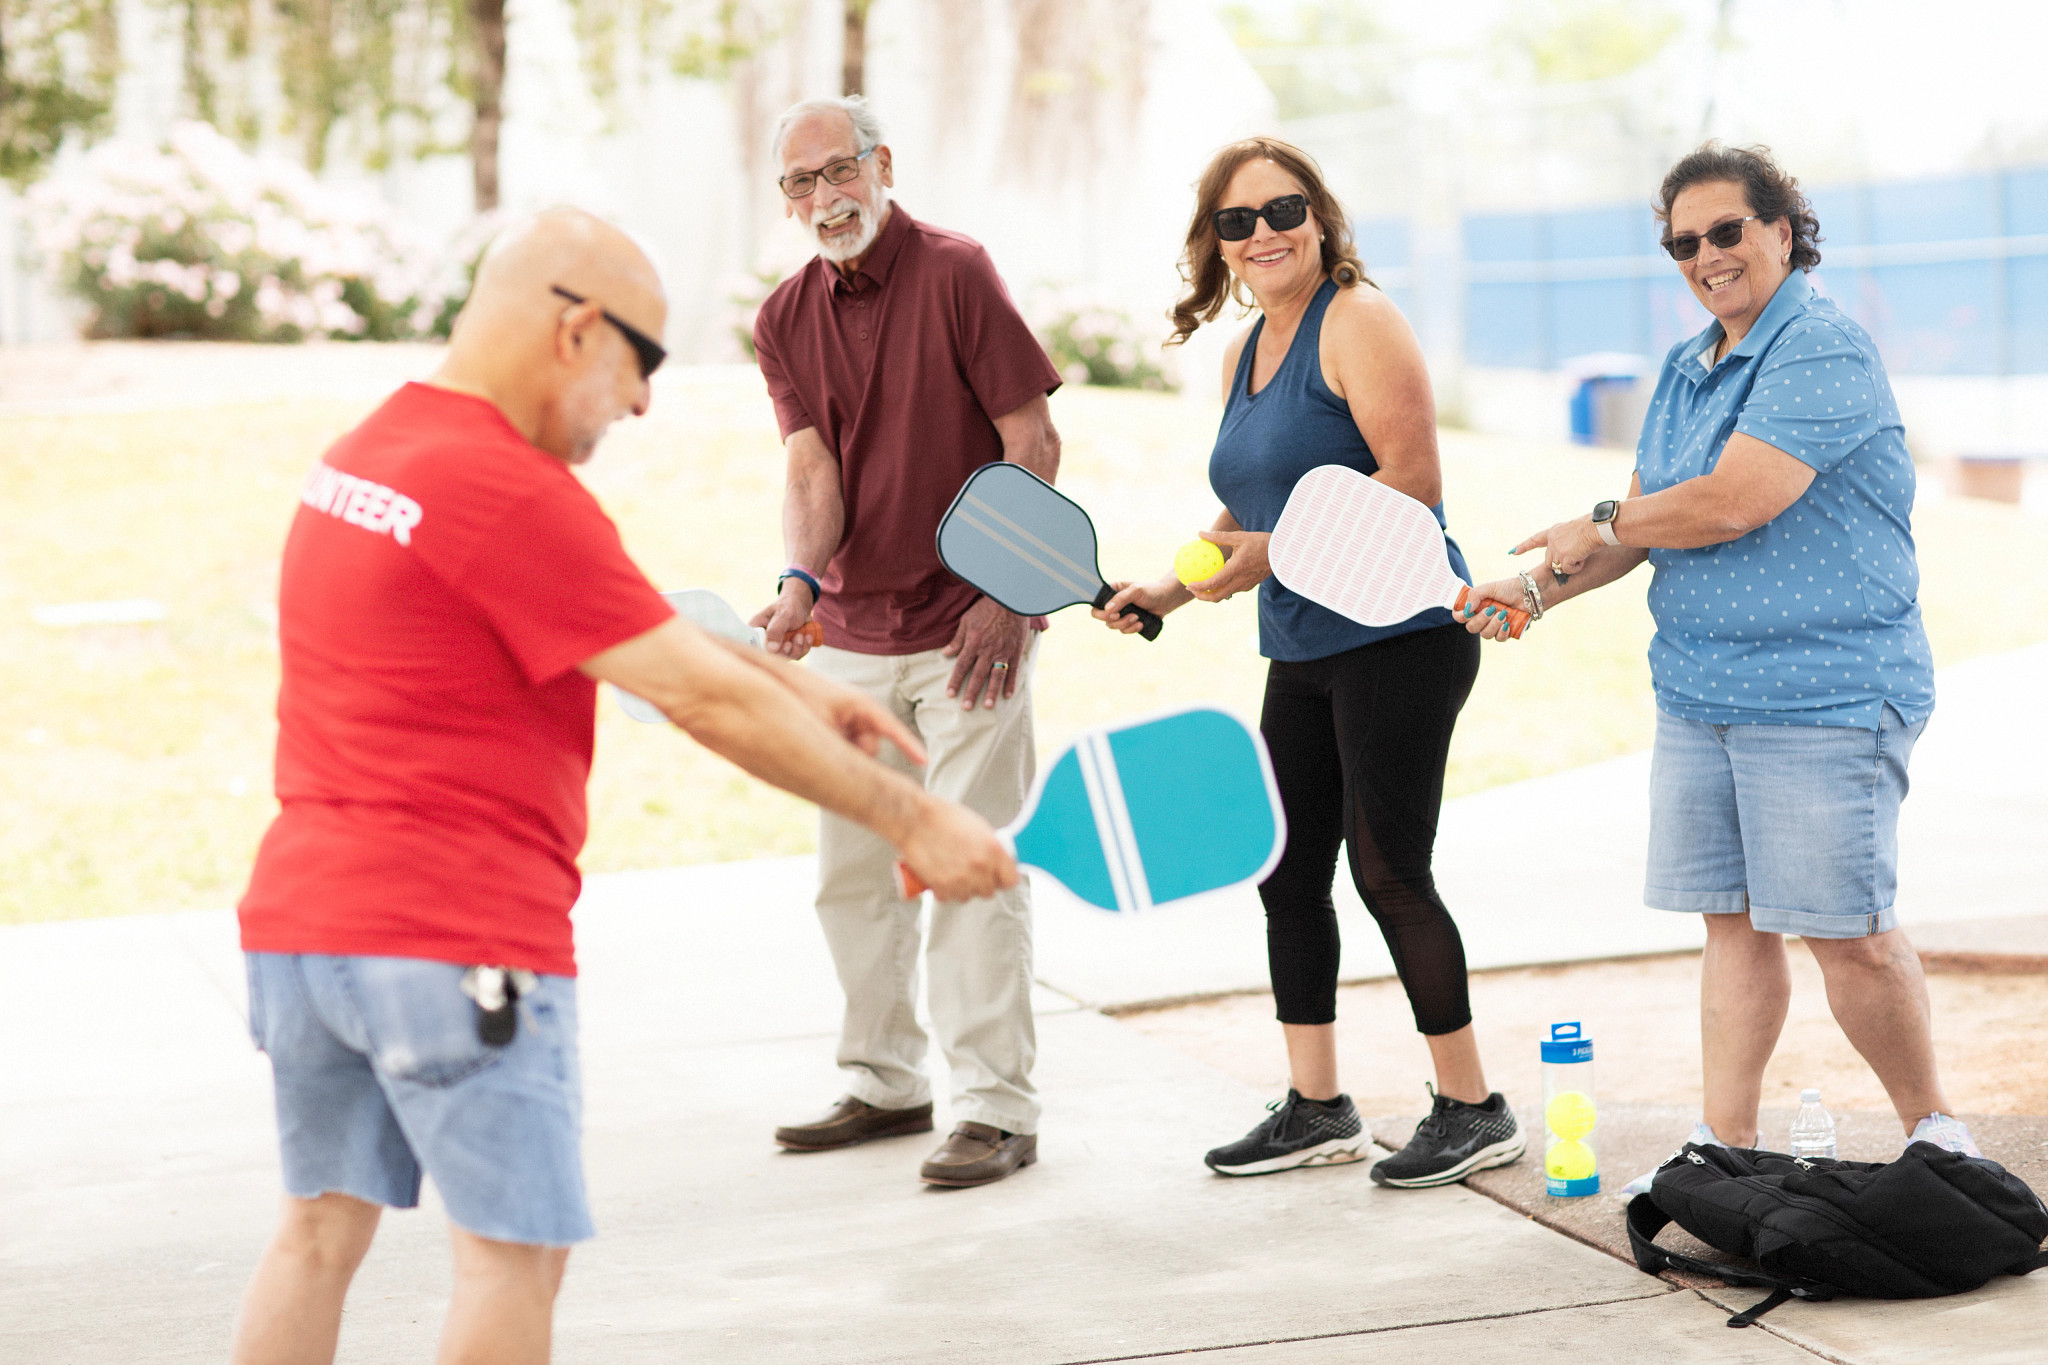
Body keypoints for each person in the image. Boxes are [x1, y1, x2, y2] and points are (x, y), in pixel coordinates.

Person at [228, 208, 1014, 1365]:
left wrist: (797, 689)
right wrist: (912, 815)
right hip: (455, 943)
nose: (643, 402)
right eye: (642, 361)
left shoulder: (371, 454)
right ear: (577, 330)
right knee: (510, 1259)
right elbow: (692, 698)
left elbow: (622, 624)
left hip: (305, 937)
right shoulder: (506, 489)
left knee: (313, 1237)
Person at [1462, 142, 1980, 1177]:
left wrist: (1602, 514)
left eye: (1724, 231)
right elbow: (1647, 526)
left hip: (1823, 692)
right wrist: (1529, 592)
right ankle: (1723, 1145)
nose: (1704, 256)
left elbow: (1732, 500)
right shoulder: (1684, 365)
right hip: (1699, 692)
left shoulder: (1818, 348)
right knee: (1732, 928)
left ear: (1781, 231)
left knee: (1848, 935)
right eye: (1681, 243)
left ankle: (1937, 1135)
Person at [1095, 137, 1523, 1187]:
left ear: (1319, 216)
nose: (1262, 235)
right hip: (1302, 642)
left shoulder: (1357, 319)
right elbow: (1246, 507)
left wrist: (1268, 554)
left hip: (1399, 637)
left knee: (1386, 872)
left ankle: (1472, 1107)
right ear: (1217, 244)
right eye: (1236, 222)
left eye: (1279, 210)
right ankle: (1316, 1107)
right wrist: (1169, 583)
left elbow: (1411, 481)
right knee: (1286, 870)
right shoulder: (1250, 347)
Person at [747, 96, 1065, 1189]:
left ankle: (994, 1108)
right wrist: (795, 585)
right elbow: (810, 469)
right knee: (849, 872)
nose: (823, 197)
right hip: (850, 633)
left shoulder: (956, 272)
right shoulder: (781, 318)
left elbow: (1031, 439)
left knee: (965, 866)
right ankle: (885, 1082)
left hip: (970, 629)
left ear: (882, 164)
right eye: (799, 182)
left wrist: (1006, 591)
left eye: (839, 171)